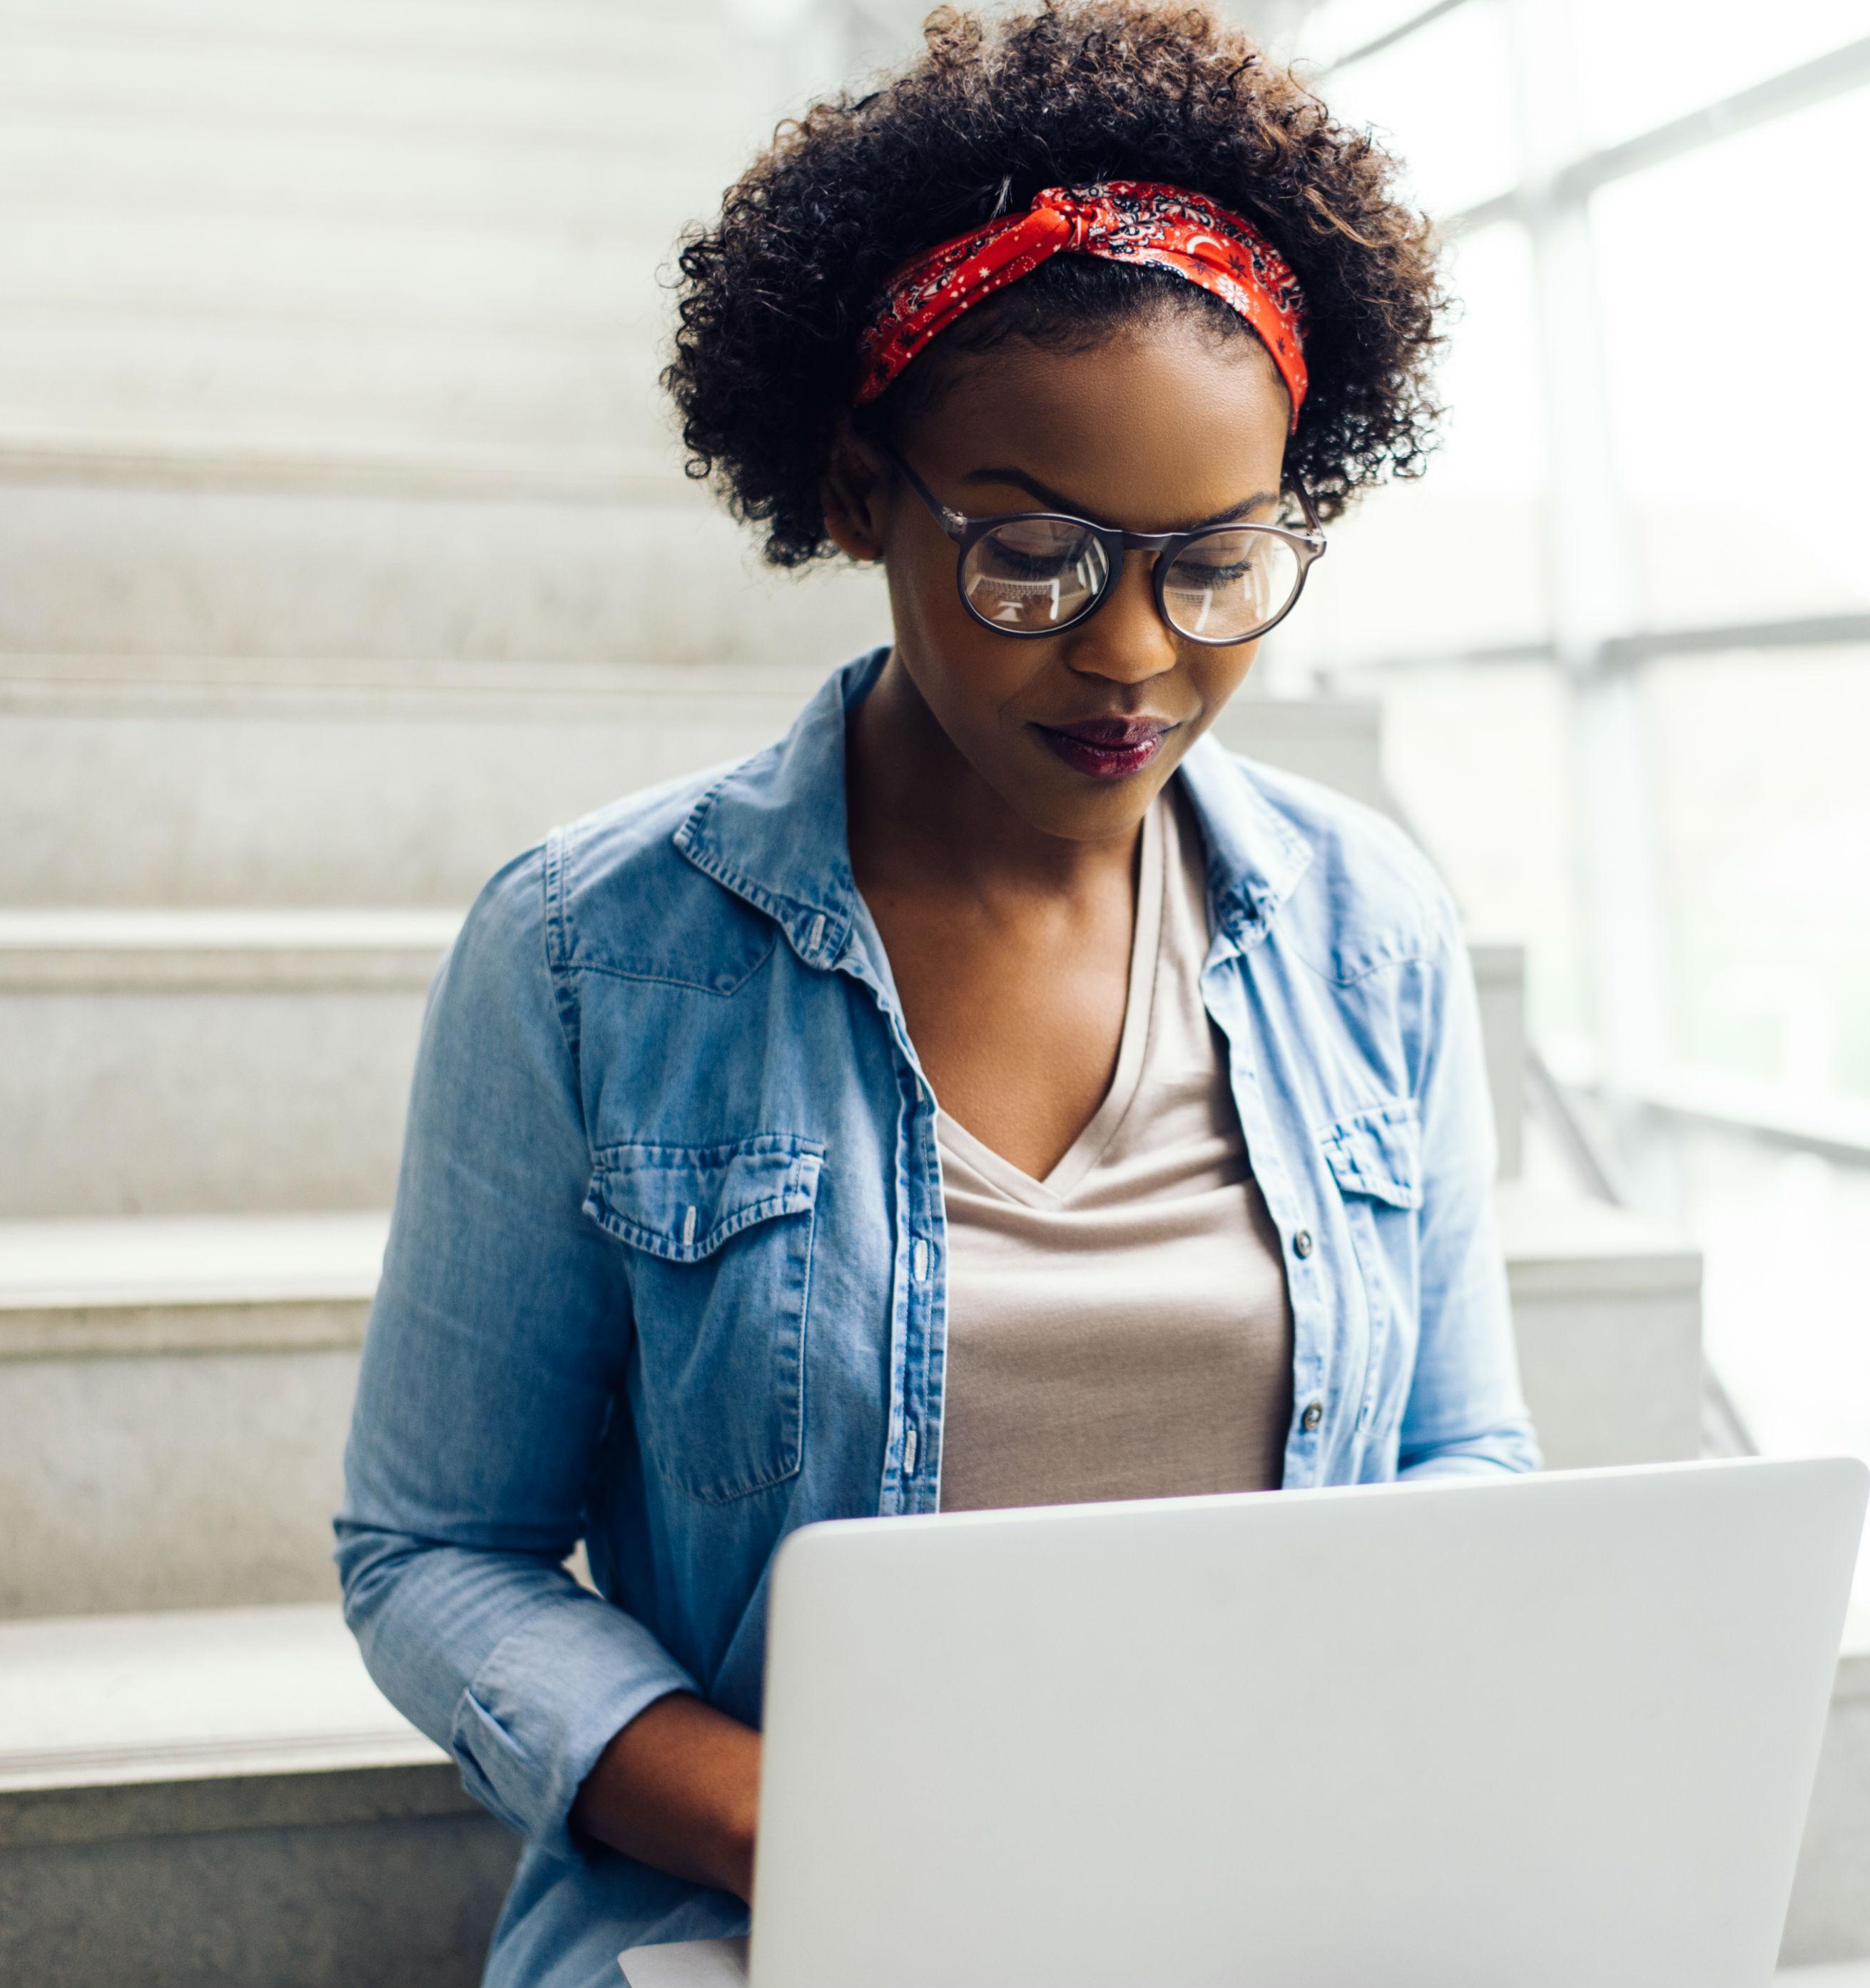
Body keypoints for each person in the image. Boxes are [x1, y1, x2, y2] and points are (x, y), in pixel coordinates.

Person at [335, 3, 1538, 1982]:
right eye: (1033, 555)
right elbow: (435, 1551)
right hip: (781, 1917)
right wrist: (800, 1825)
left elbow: (1461, 1464)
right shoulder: (590, 954)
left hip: (1275, 1906)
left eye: (1214, 560)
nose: (1131, 652)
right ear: (854, 490)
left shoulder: (1367, 926)